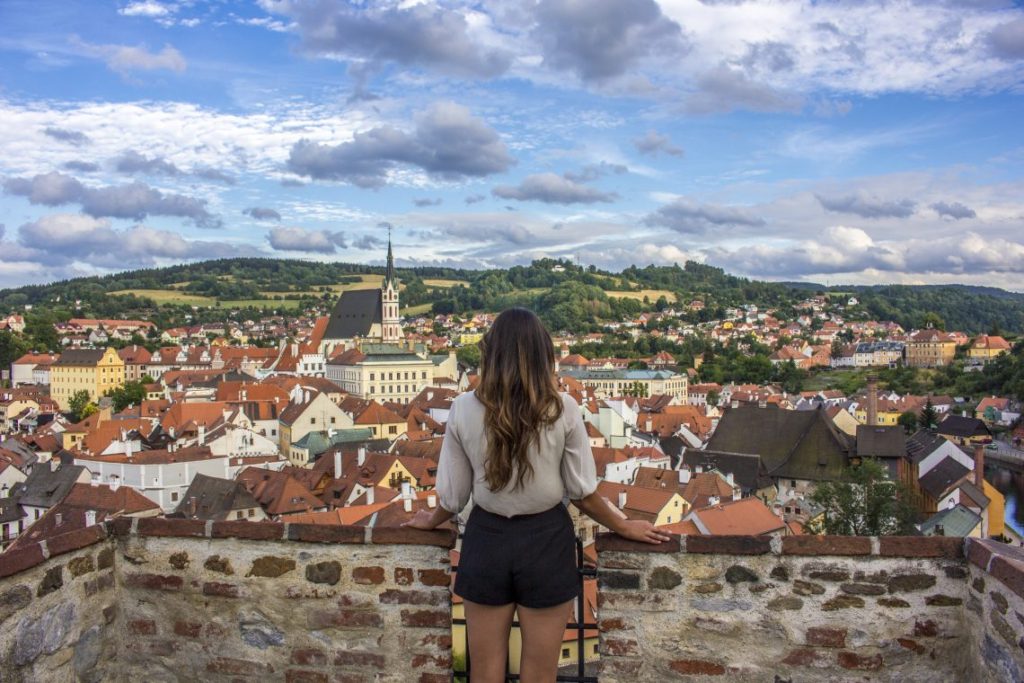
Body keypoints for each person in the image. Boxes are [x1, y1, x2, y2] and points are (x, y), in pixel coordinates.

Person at [403, 308, 670, 682]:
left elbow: (453, 497)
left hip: (486, 539)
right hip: (546, 540)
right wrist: (623, 526)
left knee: (484, 672)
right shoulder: (564, 409)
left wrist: (428, 521)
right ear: (543, 355)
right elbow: (582, 493)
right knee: (541, 672)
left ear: (490, 353)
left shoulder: (463, 408)